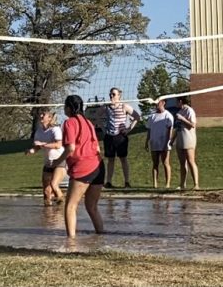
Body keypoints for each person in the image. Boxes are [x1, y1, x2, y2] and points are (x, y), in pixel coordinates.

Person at [52, 95, 104, 238]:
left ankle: (71, 243)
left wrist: (57, 162)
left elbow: (71, 148)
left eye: (65, 106)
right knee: (92, 207)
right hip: (99, 166)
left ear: (68, 108)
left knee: (70, 206)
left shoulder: (69, 123)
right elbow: (98, 148)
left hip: (83, 167)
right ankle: (102, 236)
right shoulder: (88, 122)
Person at [102, 87, 141, 188]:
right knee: (110, 159)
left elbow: (137, 117)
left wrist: (128, 129)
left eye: (114, 94)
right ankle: (109, 182)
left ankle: (127, 182)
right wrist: (103, 128)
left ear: (119, 96)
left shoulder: (124, 106)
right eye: (110, 94)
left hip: (120, 136)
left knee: (123, 159)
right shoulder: (106, 107)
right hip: (109, 136)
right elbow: (97, 117)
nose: (111, 96)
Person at [26, 109, 66, 205]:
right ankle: (48, 216)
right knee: (46, 193)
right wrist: (32, 150)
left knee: (54, 185)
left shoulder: (55, 129)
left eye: (43, 115)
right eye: (40, 114)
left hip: (59, 161)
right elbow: (37, 146)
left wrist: (42, 144)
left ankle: (62, 208)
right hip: (48, 162)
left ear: (49, 118)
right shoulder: (39, 131)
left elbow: (58, 145)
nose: (41, 116)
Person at [145, 98, 174, 189]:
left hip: (164, 143)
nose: (156, 104)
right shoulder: (152, 117)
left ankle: (167, 184)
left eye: (158, 102)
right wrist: (146, 142)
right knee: (155, 164)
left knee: (165, 163)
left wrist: (168, 142)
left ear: (163, 103)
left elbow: (170, 130)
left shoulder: (168, 115)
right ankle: (155, 184)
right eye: (155, 103)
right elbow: (149, 131)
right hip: (154, 143)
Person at [173, 96, 199, 190]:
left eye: (176, 102)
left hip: (188, 138)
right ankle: (182, 184)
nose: (175, 104)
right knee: (182, 163)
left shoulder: (189, 110)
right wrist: (172, 140)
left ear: (180, 101)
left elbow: (192, 125)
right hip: (180, 139)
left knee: (191, 161)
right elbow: (177, 128)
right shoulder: (179, 112)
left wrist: (182, 118)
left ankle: (196, 184)